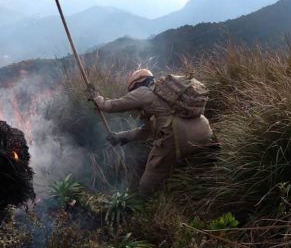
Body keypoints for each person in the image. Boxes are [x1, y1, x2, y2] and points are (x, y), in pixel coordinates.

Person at [89, 69, 215, 197]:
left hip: (179, 138)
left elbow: (110, 106)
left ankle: (146, 203)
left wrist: (97, 98)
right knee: (194, 170)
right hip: (205, 133)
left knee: (149, 182)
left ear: (137, 84)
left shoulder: (143, 92)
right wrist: (121, 137)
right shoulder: (169, 96)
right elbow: (148, 131)